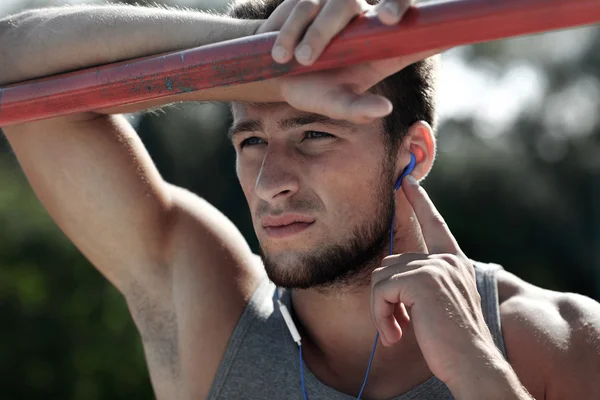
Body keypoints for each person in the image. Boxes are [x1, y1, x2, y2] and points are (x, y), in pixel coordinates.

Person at [1, 0, 599, 398]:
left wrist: (476, 368)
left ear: (410, 154)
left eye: (314, 133)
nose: (270, 182)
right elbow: (11, 58)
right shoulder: (211, 318)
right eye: (252, 140)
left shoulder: (557, 339)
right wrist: (259, 59)